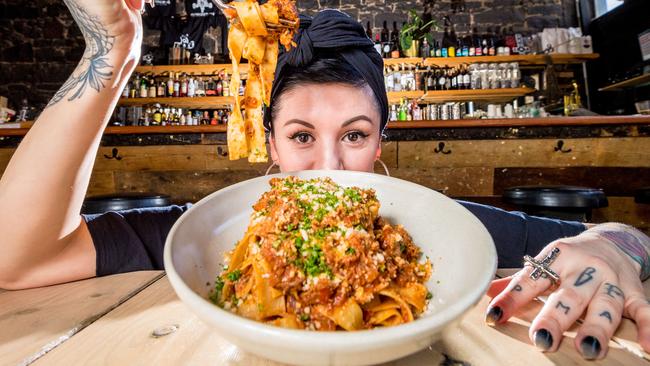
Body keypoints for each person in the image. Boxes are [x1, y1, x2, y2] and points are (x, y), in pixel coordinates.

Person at [0, 0, 648, 361]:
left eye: (356, 135)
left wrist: (614, 247)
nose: (332, 169)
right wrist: (112, 52)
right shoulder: (211, 239)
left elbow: (617, 241)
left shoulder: (431, 235)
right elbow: (18, 258)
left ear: (381, 142)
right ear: (272, 144)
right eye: (303, 136)